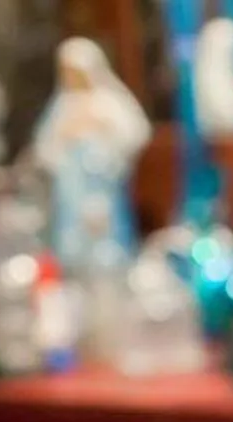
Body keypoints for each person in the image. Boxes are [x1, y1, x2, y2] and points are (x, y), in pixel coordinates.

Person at [31, 38, 151, 279]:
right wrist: (66, 140)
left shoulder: (108, 102)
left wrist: (103, 135)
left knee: (107, 242)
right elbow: (44, 148)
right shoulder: (62, 106)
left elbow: (135, 132)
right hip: (72, 185)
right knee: (75, 242)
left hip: (101, 181)